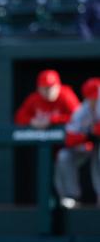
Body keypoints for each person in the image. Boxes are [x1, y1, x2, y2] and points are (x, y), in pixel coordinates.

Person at [54, 77, 100, 209]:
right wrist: (88, 135)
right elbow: (69, 138)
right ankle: (71, 196)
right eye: (93, 97)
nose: (95, 100)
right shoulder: (82, 111)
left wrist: (94, 131)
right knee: (64, 156)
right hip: (87, 146)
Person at [15, 69, 80, 129]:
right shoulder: (34, 98)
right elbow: (19, 117)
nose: (49, 91)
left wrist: (52, 120)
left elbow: (78, 117)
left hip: (64, 135)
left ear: (59, 86)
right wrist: (32, 121)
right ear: (39, 89)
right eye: (45, 88)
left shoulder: (66, 95)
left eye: (52, 87)